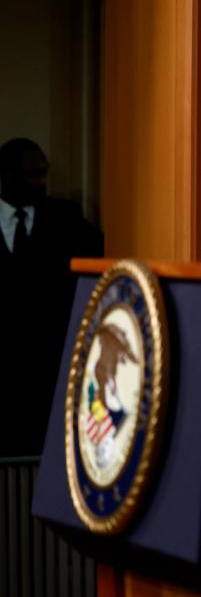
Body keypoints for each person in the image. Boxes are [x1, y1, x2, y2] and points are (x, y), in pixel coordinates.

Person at [0, 137, 104, 456]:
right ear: (6, 175)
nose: (42, 182)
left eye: (44, 173)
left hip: (49, 371)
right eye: (32, 174)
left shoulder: (67, 220)